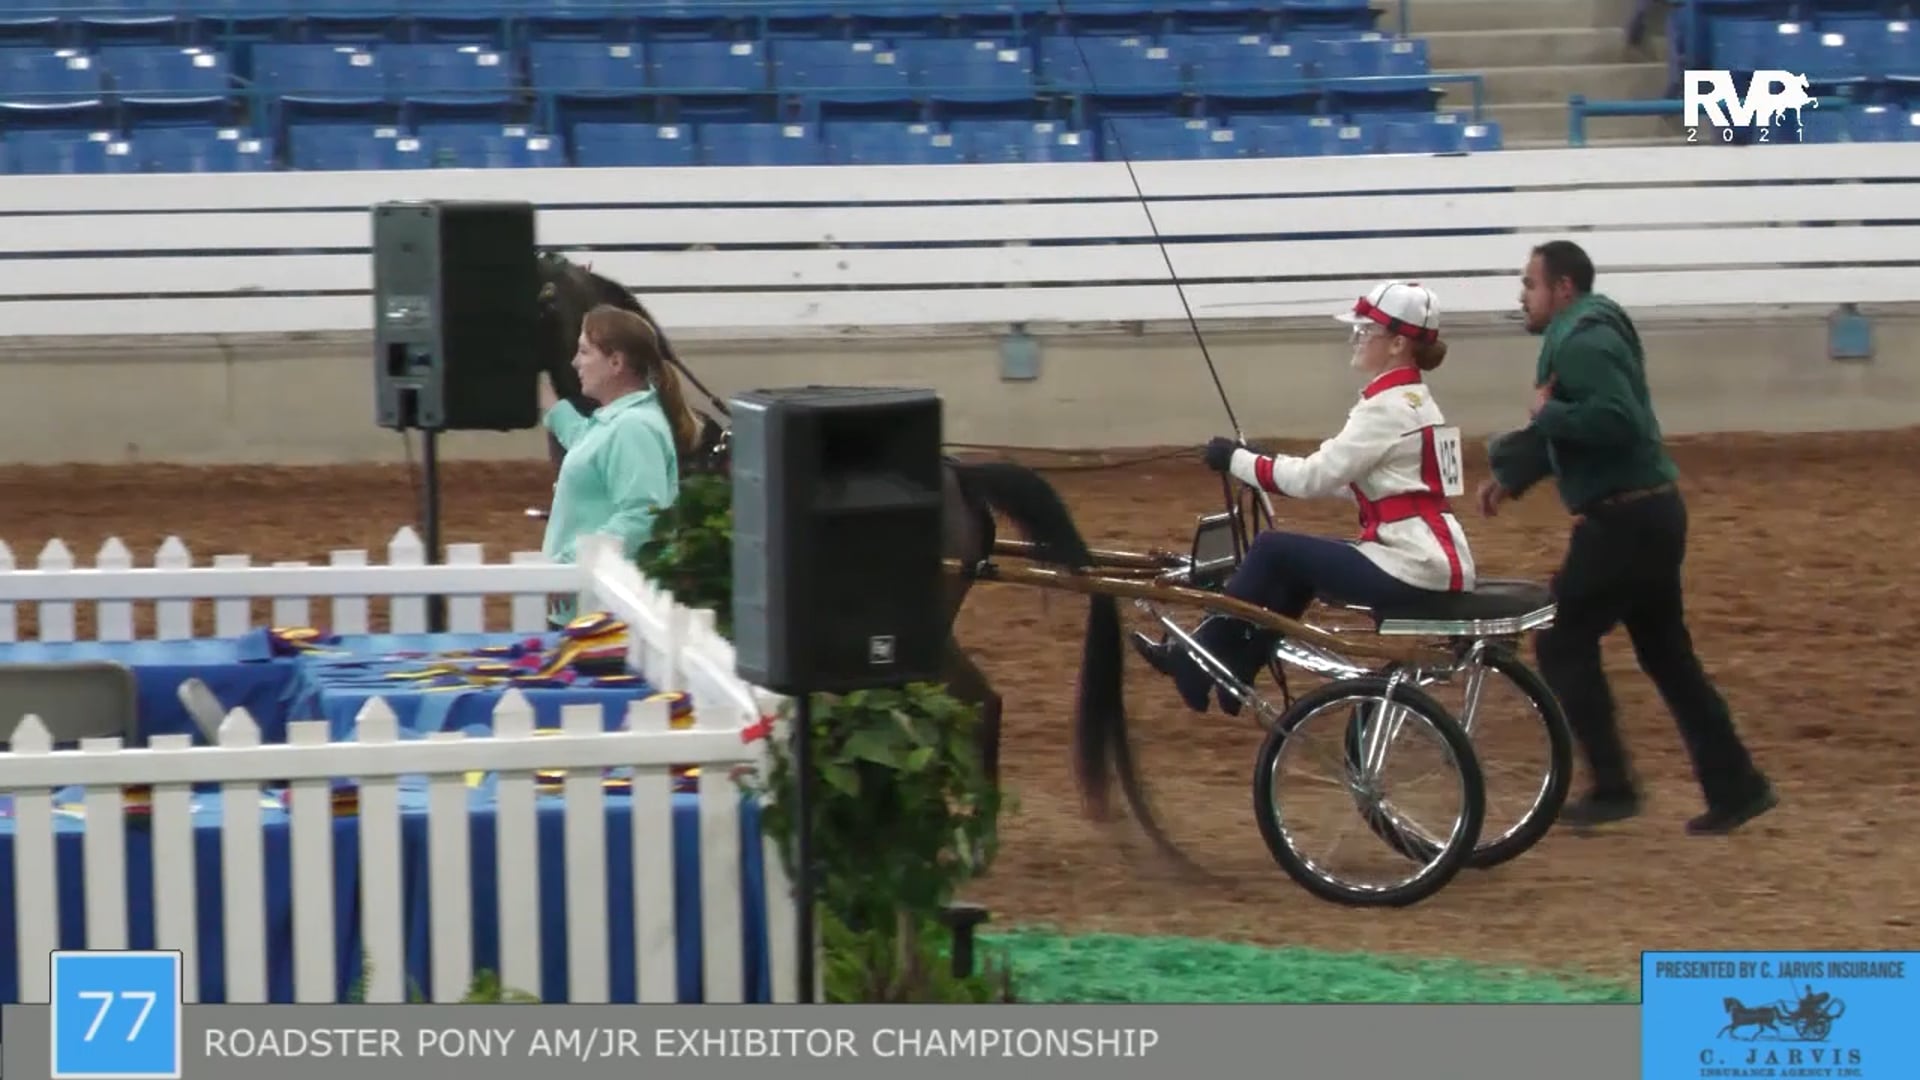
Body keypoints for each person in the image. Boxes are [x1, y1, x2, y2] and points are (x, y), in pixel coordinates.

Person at [1478, 239, 1776, 835]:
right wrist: (1514, 475)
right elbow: (1585, 423)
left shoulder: (1584, 340)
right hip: (1650, 516)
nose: (1522, 295)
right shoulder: (1586, 335)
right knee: (1668, 657)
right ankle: (1736, 786)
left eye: (1530, 284)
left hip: (1624, 524)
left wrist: (1545, 418)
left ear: (1562, 289)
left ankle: (1613, 786)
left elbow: (1616, 422)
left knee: (1562, 640)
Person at [1132, 280, 1475, 714]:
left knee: (1274, 549)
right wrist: (1264, 462)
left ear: (1398, 344)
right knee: (1296, 566)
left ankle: (1197, 659)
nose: (1355, 339)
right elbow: (1352, 477)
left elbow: (1314, 478)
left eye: (1365, 332)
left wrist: (1238, 461)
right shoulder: (1419, 403)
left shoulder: (1385, 409)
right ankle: (1236, 668)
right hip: (1435, 556)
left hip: (1416, 563)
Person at [537, 303, 701, 621]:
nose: (575, 362)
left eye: (584, 352)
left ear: (615, 362)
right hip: (590, 604)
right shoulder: (621, 421)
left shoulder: (633, 428)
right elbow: (587, 443)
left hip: (599, 614)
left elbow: (642, 515)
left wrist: (571, 566)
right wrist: (551, 404)